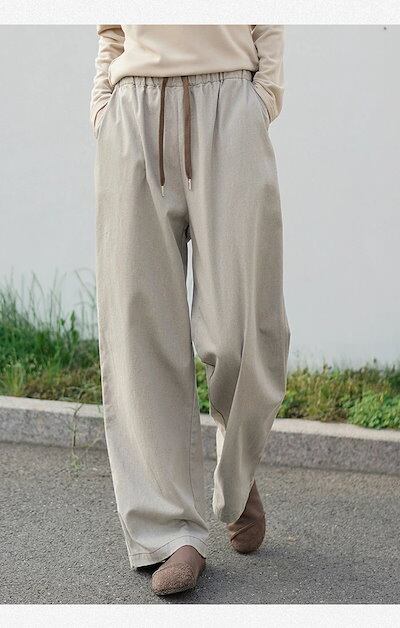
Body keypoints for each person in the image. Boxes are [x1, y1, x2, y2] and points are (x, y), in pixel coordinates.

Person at [91, 25, 290, 596]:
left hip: (230, 104)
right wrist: (104, 103)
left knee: (240, 331)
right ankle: (170, 534)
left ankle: (236, 471)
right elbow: (109, 26)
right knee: (141, 329)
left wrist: (262, 98)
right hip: (134, 109)